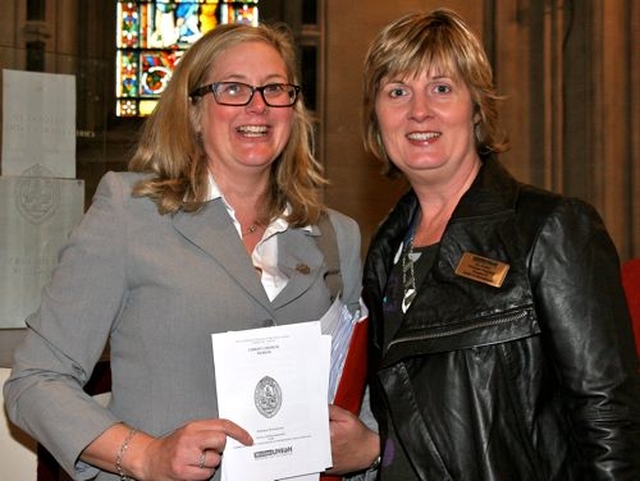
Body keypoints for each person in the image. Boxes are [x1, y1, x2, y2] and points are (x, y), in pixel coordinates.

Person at [3, 23, 366, 481]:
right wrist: (145, 455)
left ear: (294, 110)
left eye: (275, 89)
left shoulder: (337, 237)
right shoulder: (130, 214)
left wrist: (369, 448)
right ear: (194, 111)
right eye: (233, 88)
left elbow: (355, 391)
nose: (258, 105)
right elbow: (35, 381)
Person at [359, 8, 640, 480]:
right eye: (397, 91)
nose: (419, 110)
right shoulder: (384, 250)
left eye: (442, 88)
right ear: (377, 115)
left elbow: (610, 421)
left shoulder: (550, 229)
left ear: (477, 108)